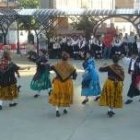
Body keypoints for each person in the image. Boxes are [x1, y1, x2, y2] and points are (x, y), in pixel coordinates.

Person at [49, 52, 77, 117]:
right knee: (67, 95)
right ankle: (65, 109)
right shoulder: (71, 66)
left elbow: (49, 68)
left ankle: (57, 110)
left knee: (57, 95)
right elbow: (75, 76)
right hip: (67, 83)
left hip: (58, 82)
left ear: (61, 58)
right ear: (68, 58)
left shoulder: (57, 64)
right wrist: (71, 77)